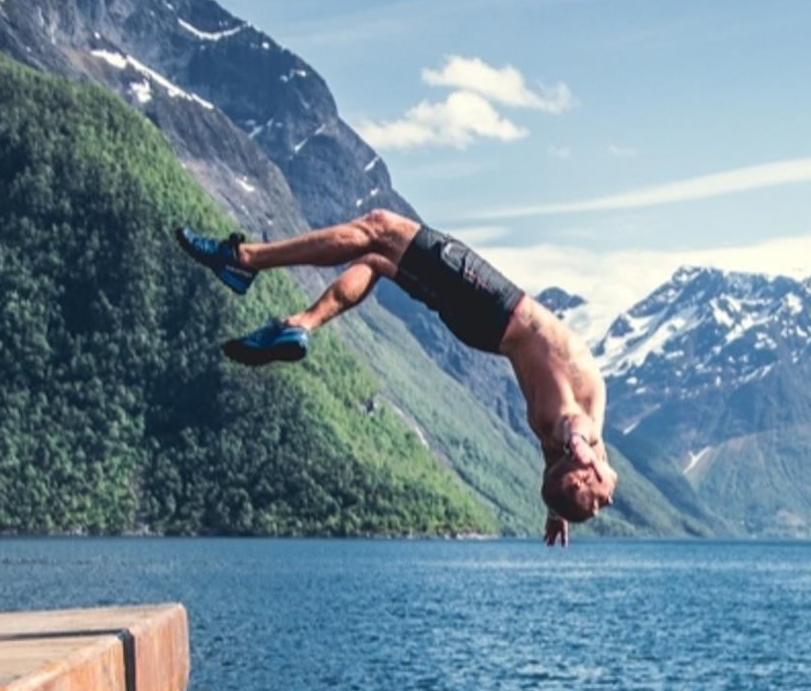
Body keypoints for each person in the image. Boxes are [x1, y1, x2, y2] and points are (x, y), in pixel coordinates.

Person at [176, 213, 616, 545]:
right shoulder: (565, 440)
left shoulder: (577, 432)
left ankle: (244, 259)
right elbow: (559, 450)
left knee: (379, 228)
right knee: (376, 260)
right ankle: (300, 324)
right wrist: (557, 510)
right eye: (597, 504)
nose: (607, 502)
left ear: (580, 472)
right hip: (486, 328)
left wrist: (579, 457)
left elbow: (572, 429)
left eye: (595, 504)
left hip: (496, 308)